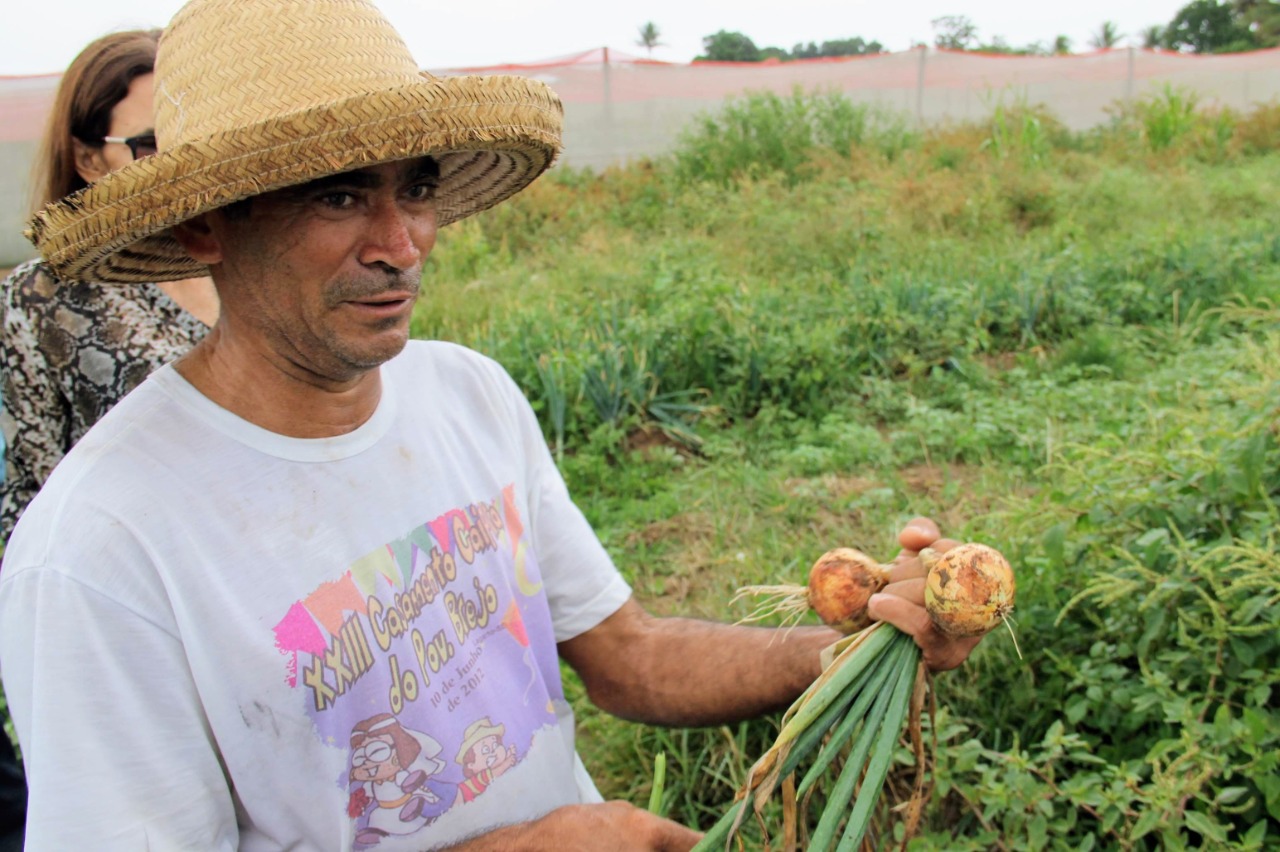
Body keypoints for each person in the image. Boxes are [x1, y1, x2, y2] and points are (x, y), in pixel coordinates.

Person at [0, 1, 981, 849]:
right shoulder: (102, 552)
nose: (401, 245)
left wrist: (849, 650)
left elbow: (626, 654)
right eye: (339, 195)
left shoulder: (464, 395)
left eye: (414, 188)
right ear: (202, 228)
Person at [0, 29, 219, 541]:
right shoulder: (45, 297)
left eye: (191, 141)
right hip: (131, 587)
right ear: (89, 160)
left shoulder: (251, 265)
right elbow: (36, 494)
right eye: (149, 146)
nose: (177, 166)